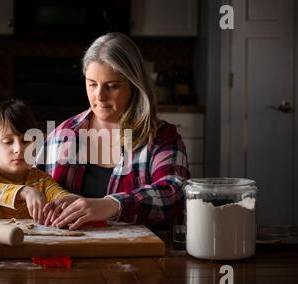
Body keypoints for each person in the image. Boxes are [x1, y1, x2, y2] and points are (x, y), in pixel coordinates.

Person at [36, 32, 190, 230]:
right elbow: (30, 182)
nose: (99, 96)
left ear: (134, 86)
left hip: (137, 255)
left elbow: (175, 192)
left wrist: (112, 205)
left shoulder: (162, 137)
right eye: (92, 84)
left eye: (112, 86)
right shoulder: (61, 135)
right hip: (69, 252)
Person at [0, 99, 79, 222]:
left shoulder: (41, 180)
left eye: (25, 141)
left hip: (26, 241)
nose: (19, 149)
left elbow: (62, 197)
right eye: (8, 142)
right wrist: (24, 191)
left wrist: (73, 202)